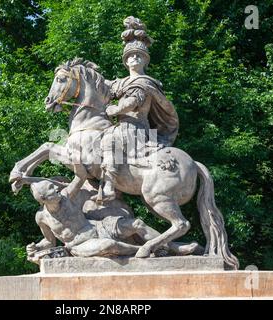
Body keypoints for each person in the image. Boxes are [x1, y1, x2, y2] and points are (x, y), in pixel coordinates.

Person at [26, 164, 201, 259]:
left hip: (97, 226)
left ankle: (172, 247)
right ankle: (143, 249)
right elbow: (49, 241)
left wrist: (77, 157)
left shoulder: (66, 196)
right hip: (80, 244)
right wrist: (36, 246)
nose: (57, 188)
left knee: (136, 224)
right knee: (108, 245)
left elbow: (79, 176)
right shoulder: (42, 217)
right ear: (43, 198)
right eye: (51, 189)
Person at [100, 16, 179, 201]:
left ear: (145, 60)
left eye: (139, 56)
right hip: (123, 127)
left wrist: (116, 110)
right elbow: (104, 87)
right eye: (130, 56)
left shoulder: (145, 82)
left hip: (137, 129)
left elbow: (133, 101)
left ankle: (110, 184)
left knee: (108, 138)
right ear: (125, 61)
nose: (134, 58)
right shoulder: (121, 83)